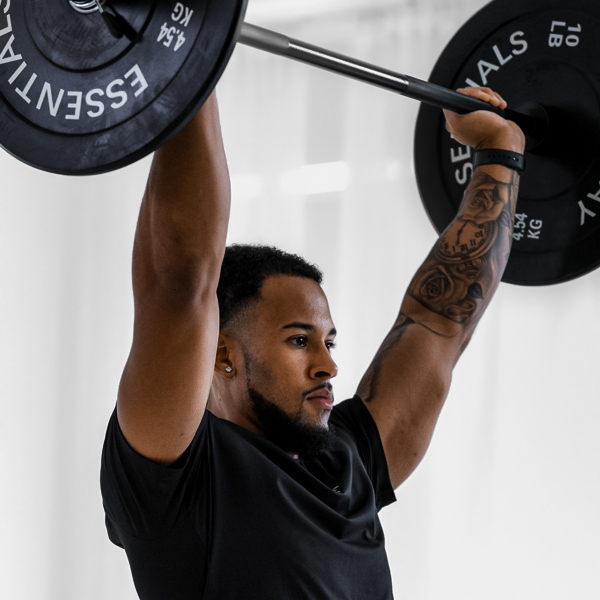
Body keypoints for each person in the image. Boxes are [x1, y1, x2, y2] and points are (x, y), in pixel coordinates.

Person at [100, 86, 525, 599]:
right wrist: (192, 70)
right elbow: (180, 284)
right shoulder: (181, 478)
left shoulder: (345, 461)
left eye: (329, 343)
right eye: (300, 341)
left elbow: (439, 320)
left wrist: (500, 154)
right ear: (222, 353)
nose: (328, 367)